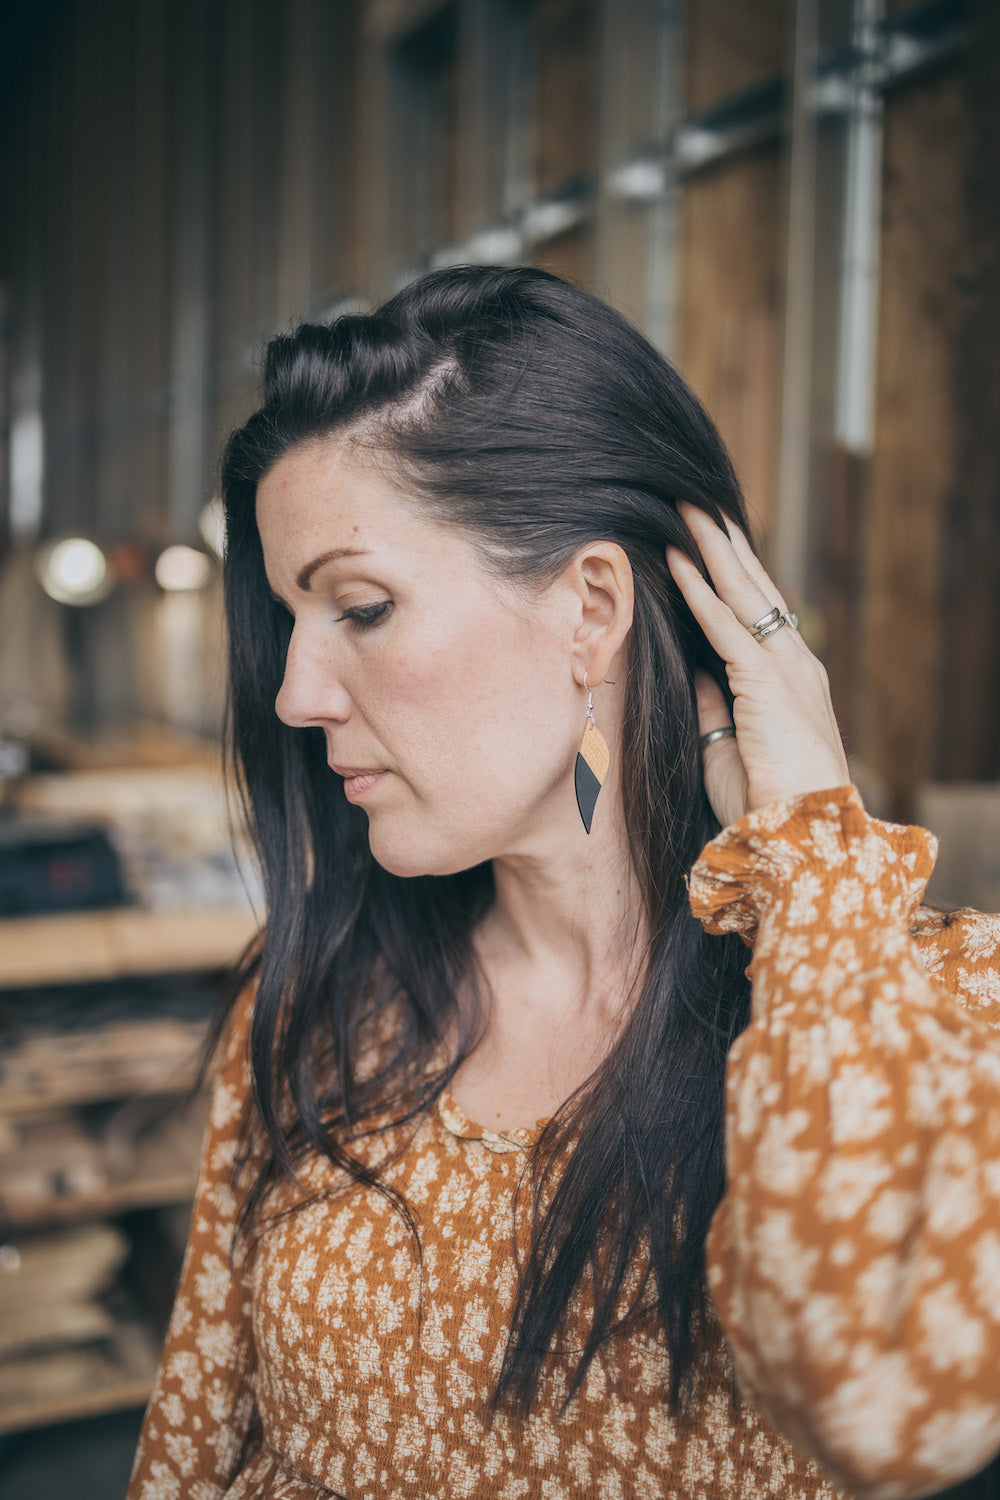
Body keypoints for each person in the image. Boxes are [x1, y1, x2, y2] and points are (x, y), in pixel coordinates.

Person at [128, 266, 1000, 1500]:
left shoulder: (945, 1001)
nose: (295, 695)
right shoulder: (318, 989)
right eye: (291, 620)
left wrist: (807, 849)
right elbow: (195, 1442)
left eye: (361, 608)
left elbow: (879, 1397)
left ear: (590, 608)